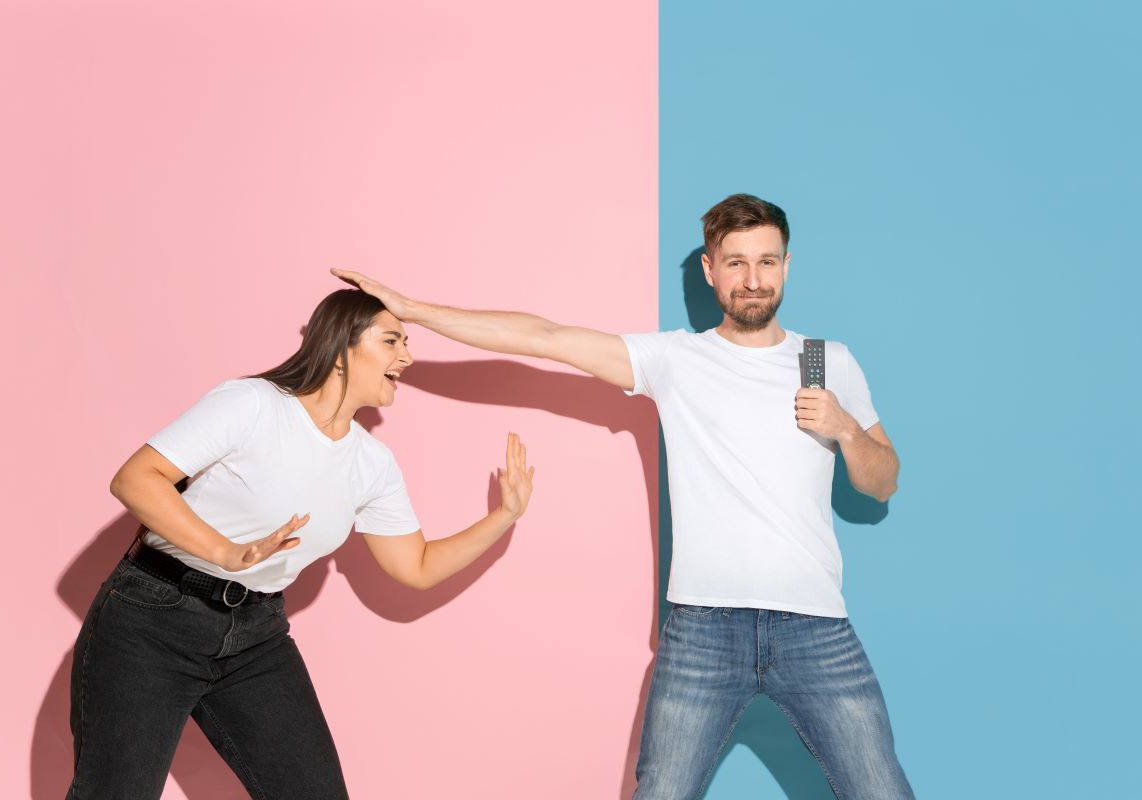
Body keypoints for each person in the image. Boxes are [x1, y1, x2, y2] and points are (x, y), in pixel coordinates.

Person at [333, 193, 914, 799]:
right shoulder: (676, 360)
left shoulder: (825, 362)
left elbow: (882, 482)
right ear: (711, 271)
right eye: (735, 263)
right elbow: (544, 337)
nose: (753, 279)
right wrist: (412, 311)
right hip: (703, 628)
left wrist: (845, 428)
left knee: (883, 791)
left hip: (815, 626)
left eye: (766, 262)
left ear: (787, 266)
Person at [67, 289, 534, 800]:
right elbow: (136, 478)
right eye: (392, 340)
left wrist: (503, 517)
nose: (407, 356)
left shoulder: (371, 463)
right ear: (339, 349)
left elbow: (415, 566)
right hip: (153, 620)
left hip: (255, 637)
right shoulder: (253, 404)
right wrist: (225, 552)